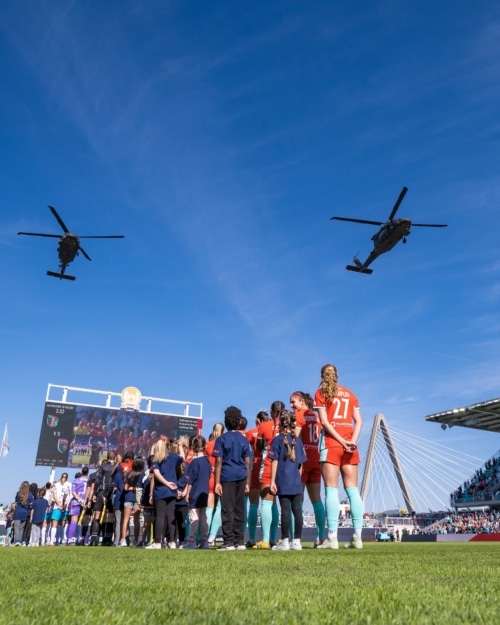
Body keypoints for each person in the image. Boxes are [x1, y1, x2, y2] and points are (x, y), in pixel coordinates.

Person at [315, 364, 364, 549]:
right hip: (350, 444)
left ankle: (332, 537)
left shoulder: (320, 393)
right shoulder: (350, 394)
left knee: (331, 490)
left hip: (331, 444)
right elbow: (359, 421)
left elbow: (325, 422)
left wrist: (341, 442)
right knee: (353, 491)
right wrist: (352, 441)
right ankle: (357, 537)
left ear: (322, 375)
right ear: (337, 375)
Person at [213, 406, 251, 551]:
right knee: (239, 509)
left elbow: (218, 462)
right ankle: (239, 541)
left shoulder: (222, 439)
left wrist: (217, 482)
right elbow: (248, 462)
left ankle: (228, 542)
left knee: (227, 509)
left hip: (227, 476)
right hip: (241, 476)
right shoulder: (244, 440)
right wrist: (248, 482)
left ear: (226, 422)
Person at [291, 391, 326, 546]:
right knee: (317, 500)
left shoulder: (299, 415)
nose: (292, 406)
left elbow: (296, 437)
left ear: (302, 401)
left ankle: (294, 537)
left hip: (303, 460)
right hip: (315, 458)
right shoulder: (317, 416)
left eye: (293, 402)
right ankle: (320, 537)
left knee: (297, 499)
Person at [269, 410, 307, 550]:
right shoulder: (298, 441)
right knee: (297, 510)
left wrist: (272, 481)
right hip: (295, 480)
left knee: (285, 510)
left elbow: (274, 462)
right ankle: (297, 541)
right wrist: (298, 478)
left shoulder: (277, 440)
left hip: (283, 480)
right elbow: (301, 464)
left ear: (280, 423)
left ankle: (284, 541)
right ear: (293, 423)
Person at [253, 401, 283, 549]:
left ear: (271, 412)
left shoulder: (264, 426)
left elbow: (258, 447)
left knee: (266, 501)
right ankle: (274, 539)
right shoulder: (288, 427)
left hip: (269, 464)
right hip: (284, 467)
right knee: (276, 504)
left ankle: (265, 540)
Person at [146, 437, 183, 549]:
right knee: (170, 515)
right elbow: (183, 457)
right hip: (172, 491)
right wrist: (180, 446)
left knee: (160, 516)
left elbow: (156, 474)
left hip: (160, 490)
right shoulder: (173, 456)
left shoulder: (156, 459)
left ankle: (157, 542)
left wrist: (166, 483)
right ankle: (172, 542)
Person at [245, 410, 269, 547]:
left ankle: (252, 538)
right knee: (271, 504)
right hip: (269, 466)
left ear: (258, 421)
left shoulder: (251, 432)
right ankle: (271, 538)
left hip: (255, 466)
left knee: (253, 504)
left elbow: (248, 452)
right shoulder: (274, 428)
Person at [183, 435, 211, 549]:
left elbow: (190, 480)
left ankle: (192, 540)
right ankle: (204, 541)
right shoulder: (207, 462)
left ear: (193, 447)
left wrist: (187, 493)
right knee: (203, 517)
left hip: (195, 492)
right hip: (204, 492)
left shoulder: (194, 462)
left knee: (194, 517)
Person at [205, 423, 224, 547]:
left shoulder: (207, 445)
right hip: (221, 478)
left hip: (209, 477)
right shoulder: (223, 443)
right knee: (220, 508)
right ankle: (211, 537)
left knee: (209, 508)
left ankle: (203, 537)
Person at [12, 481, 34, 545]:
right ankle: (20, 540)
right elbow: (31, 503)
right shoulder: (30, 495)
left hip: (18, 512)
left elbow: (16, 501)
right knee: (22, 527)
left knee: (16, 527)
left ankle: (17, 540)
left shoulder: (18, 493)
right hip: (25, 512)